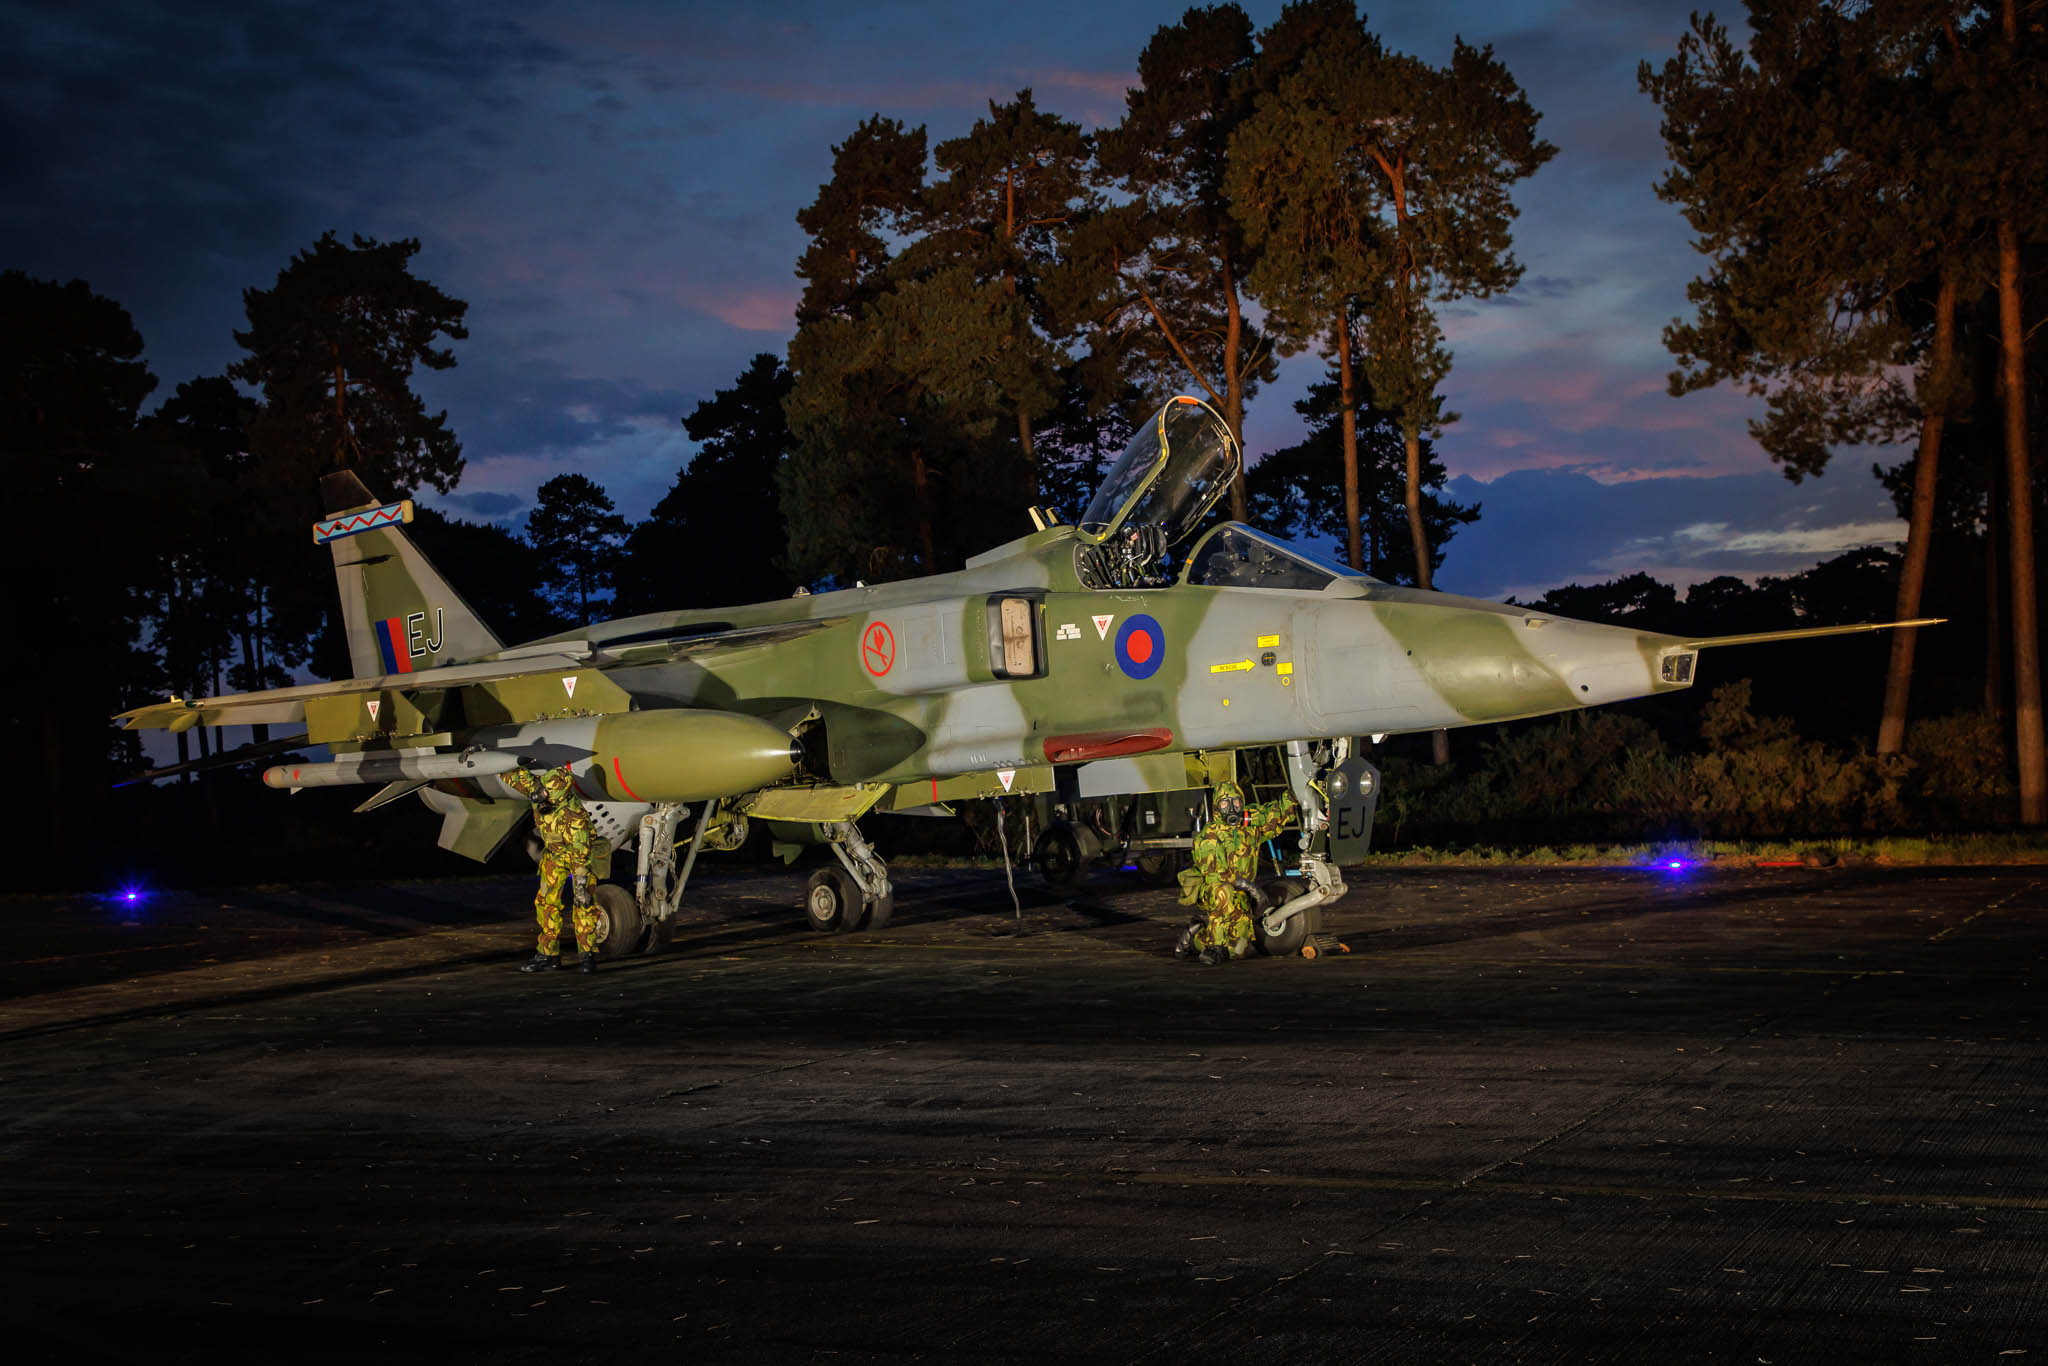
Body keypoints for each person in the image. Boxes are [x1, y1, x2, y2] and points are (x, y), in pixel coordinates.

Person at [1174, 779, 1298, 965]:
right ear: (1217, 807)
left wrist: (1294, 796)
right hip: (1213, 891)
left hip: (1241, 892)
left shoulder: (1248, 829)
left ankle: (1196, 938)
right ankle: (1214, 947)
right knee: (1223, 892)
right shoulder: (1209, 836)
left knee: (1237, 949)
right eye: (1225, 803)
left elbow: (1274, 816)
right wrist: (1251, 888)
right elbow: (1216, 875)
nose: (1231, 808)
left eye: (1236, 802)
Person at [504, 764, 602, 973]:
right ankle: (548, 955)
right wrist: (487, 756)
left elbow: (582, 855)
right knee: (546, 903)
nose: (539, 795)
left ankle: (587, 956)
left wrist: (582, 886)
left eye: (545, 793)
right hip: (554, 855)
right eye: (541, 790)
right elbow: (515, 777)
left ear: (558, 797)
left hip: (578, 859)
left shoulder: (574, 818)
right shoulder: (539, 791)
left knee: (583, 904)